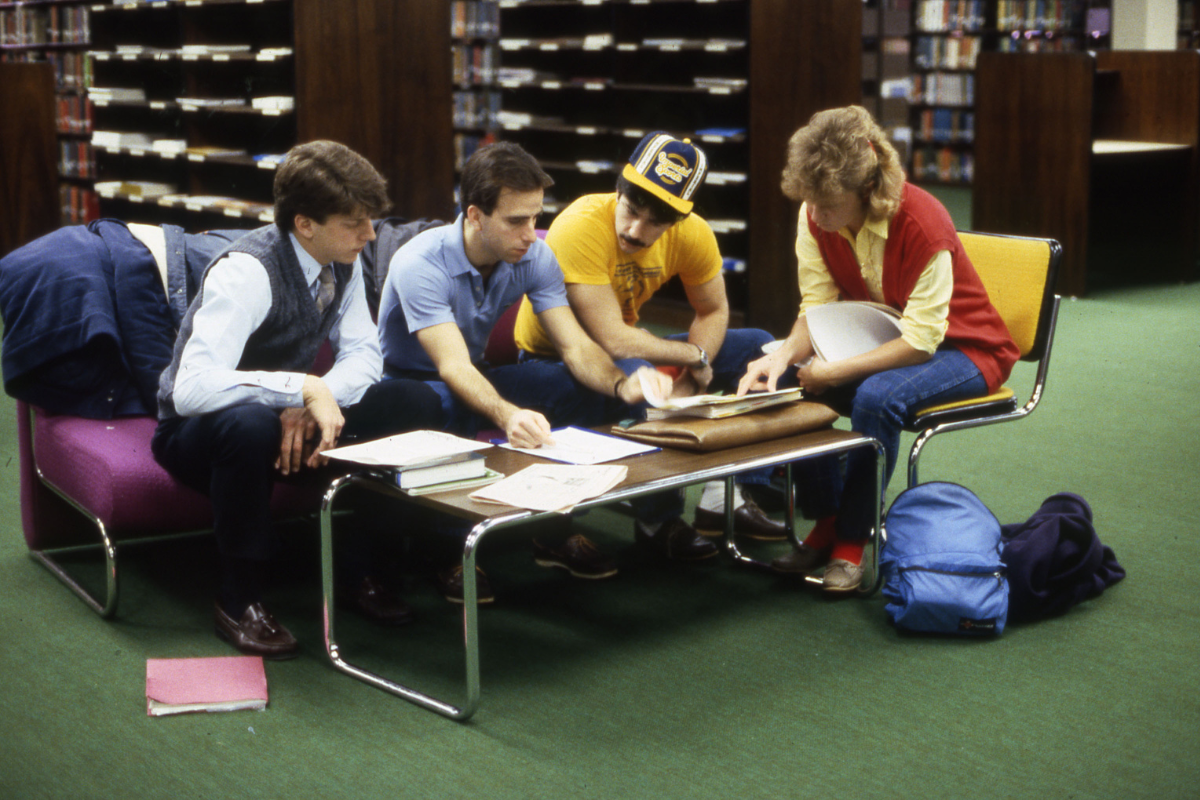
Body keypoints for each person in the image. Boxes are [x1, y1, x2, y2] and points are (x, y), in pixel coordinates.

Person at [152, 141, 445, 658]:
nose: (371, 234)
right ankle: (239, 598)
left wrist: (318, 398)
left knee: (414, 402)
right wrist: (301, 387)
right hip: (200, 434)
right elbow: (191, 388)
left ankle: (362, 572)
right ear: (305, 223)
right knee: (248, 425)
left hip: (295, 425)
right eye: (355, 222)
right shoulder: (247, 271)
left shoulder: (345, 261)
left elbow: (365, 356)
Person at [738, 105, 1019, 592]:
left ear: (867, 190)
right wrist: (782, 356)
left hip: (968, 350)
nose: (817, 217)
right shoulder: (815, 212)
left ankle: (852, 540)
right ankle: (825, 521)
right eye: (812, 204)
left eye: (829, 205)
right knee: (795, 376)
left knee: (875, 398)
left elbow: (920, 341)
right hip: (886, 337)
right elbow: (818, 304)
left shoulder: (923, 223)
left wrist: (837, 371)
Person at [377, 141, 673, 602]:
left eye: (535, 217)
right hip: (411, 384)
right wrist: (507, 413)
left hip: (473, 375)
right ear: (475, 215)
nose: (530, 233)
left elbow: (575, 347)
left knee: (572, 384)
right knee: (442, 404)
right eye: (516, 221)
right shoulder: (421, 262)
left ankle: (552, 530)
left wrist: (622, 382)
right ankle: (446, 552)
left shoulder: (533, 255)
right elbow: (451, 365)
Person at [512, 131, 784, 545]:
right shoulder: (581, 224)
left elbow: (712, 311)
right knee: (645, 380)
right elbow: (614, 341)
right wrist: (694, 356)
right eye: (631, 209)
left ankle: (726, 497)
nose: (637, 230)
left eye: (655, 221)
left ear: (677, 220)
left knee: (761, 347)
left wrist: (697, 369)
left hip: (630, 347)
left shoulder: (693, 234)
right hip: (553, 357)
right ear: (617, 190)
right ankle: (659, 521)